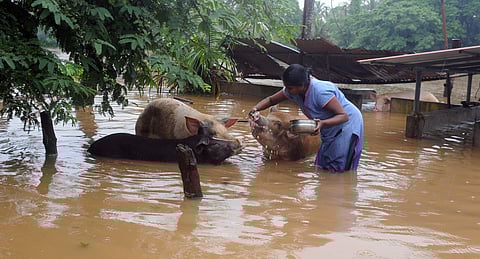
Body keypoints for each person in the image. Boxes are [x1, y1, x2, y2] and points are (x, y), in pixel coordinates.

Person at [249, 64, 363, 172]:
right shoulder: (294, 90)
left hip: (347, 125)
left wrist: (322, 123)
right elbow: (271, 100)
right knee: (321, 165)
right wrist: (255, 109)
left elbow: (343, 116)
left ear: (302, 85)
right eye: (285, 87)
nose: (286, 91)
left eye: (289, 88)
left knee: (338, 166)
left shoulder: (320, 92)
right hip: (328, 126)